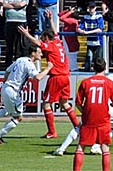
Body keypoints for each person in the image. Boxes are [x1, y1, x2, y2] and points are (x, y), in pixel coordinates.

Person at [18, 10, 78, 139]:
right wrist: (50, 19)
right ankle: (77, 126)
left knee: (46, 103)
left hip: (56, 77)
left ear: (46, 38)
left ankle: (52, 131)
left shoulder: (50, 45)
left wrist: (26, 34)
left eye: (43, 38)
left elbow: (37, 43)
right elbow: (55, 31)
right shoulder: (58, 42)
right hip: (66, 77)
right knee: (64, 103)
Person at [0, 46, 52, 144]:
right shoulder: (29, 64)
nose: (41, 54)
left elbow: (7, 71)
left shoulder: (20, 59)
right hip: (13, 91)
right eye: (39, 52)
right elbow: (37, 78)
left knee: (5, 111)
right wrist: (48, 68)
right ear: (33, 53)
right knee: (18, 118)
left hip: (6, 88)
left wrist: (4, 84)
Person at [73, 58, 113, 171]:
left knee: (81, 146)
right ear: (105, 68)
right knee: (105, 147)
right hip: (103, 119)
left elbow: (78, 103)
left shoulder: (85, 82)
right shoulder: (109, 83)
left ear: (93, 68)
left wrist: (85, 111)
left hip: (89, 119)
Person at [77, 1, 105, 72]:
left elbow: (100, 29)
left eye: (92, 7)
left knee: (99, 59)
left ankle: (99, 72)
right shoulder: (85, 16)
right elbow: (80, 27)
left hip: (98, 42)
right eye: (90, 7)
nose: (91, 9)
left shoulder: (99, 16)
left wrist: (87, 32)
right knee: (89, 58)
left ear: (95, 8)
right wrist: (80, 30)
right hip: (90, 42)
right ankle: (87, 72)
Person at [3, 0, 28, 67]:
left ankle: (18, 64)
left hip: (20, 22)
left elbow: (22, 4)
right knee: (9, 44)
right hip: (9, 22)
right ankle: (8, 64)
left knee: (19, 45)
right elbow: (4, 4)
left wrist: (11, 5)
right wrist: (16, 6)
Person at [58, 6, 80, 71]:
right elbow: (59, 14)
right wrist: (67, 10)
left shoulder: (73, 20)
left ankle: (74, 69)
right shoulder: (70, 19)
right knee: (68, 56)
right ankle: (72, 69)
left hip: (70, 42)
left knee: (71, 57)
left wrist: (70, 12)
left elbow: (61, 18)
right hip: (67, 40)